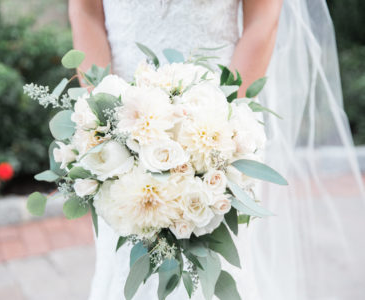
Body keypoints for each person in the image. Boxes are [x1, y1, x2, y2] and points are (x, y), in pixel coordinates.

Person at [68, 1, 365, 299]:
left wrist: (221, 127)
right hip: (123, 128)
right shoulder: (114, 130)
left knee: (213, 268)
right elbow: (86, 11)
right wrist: (106, 119)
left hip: (219, 123)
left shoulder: (222, 128)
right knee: (122, 260)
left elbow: (263, 19)